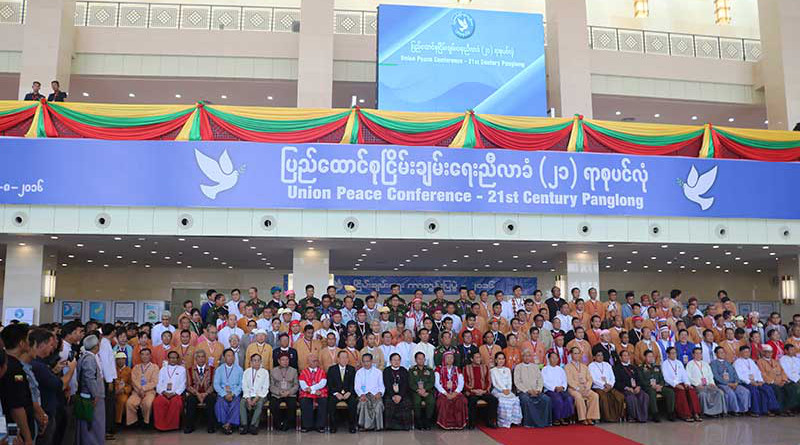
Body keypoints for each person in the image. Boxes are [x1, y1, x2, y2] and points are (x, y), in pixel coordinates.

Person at [734, 345, 780, 416]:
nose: (747, 353)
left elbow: (757, 372)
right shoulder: (737, 362)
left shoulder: (751, 361)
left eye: (748, 352)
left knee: (768, 389)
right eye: (745, 352)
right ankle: (755, 411)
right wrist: (751, 382)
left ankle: (770, 409)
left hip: (756, 381)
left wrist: (760, 380)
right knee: (754, 391)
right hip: (745, 383)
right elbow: (739, 375)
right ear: (740, 353)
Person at [77, 334, 105, 445]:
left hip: (89, 395)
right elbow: (90, 379)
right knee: (95, 423)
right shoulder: (89, 359)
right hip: (91, 397)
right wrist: (95, 395)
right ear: (96, 346)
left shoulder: (86, 356)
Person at [662, 347, 702, 422]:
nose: (674, 355)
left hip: (682, 383)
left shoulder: (679, 362)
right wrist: (675, 384)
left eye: (675, 353)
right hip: (672, 385)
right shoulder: (665, 364)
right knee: (681, 392)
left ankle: (695, 413)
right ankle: (685, 414)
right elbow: (666, 377)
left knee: (691, 390)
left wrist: (687, 383)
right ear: (668, 354)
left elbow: (684, 374)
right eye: (672, 353)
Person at [514, 349, 552, 428]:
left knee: (546, 399)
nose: (527, 358)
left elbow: (540, 379)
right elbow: (517, 382)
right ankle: (529, 423)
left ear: (531, 357)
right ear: (522, 357)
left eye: (528, 356)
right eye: (525, 356)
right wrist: (528, 391)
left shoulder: (535, 367)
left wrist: (538, 389)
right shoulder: (518, 367)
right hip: (524, 392)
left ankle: (545, 422)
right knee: (526, 400)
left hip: (536, 391)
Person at [710, 346, 751, 415]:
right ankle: (733, 410)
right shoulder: (713, 364)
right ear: (716, 354)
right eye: (720, 352)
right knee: (730, 393)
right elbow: (716, 376)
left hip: (733, 383)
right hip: (722, 384)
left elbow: (735, 373)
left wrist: (736, 382)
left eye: (723, 352)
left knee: (745, 391)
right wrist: (727, 384)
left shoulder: (728, 363)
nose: (722, 354)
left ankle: (743, 410)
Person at [757, 344, 798, 412]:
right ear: (763, 353)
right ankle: (780, 410)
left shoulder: (775, 361)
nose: (769, 354)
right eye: (767, 352)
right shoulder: (760, 362)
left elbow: (782, 371)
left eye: (770, 352)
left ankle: (790, 408)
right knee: (778, 390)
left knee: (791, 388)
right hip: (770, 382)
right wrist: (773, 382)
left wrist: (784, 380)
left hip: (780, 381)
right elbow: (762, 373)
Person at [686, 347, 726, 417]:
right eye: (696, 353)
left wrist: (712, 383)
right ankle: (706, 413)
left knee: (719, 392)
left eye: (700, 353)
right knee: (703, 394)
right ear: (693, 355)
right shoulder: (690, 364)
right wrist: (697, 384)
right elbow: (688, 377)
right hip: (697, 386)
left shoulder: (705, 364)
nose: (698, 355)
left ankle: (717, 412)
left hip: (708, 384)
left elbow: (710, 375)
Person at [183, 349, 216, 434]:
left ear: (206, 358)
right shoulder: (190, 370)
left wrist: (206, 393)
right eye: (199, 357)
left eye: (203, 357)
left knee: (211, 400)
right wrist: (197, 394)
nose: (201, 359)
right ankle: (189, 426)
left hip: (207, 393)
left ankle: (211, 426)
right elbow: (188, 385)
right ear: (195, 359)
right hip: (195, 393)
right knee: (190, 400)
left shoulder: (212, 369)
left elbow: (213, 384)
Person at [565, 347, 600, 425]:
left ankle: (590, 417)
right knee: (578, 397)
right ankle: (583, 418)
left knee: (595, 395)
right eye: (575, 353)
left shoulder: (584, 366)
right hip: (573, 389)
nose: (577, 355)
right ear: (571, 354)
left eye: (578, 353)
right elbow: (569, 380)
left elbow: (590, 378)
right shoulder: (567, 367)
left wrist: (587, 387)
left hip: (585, 388)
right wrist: (578, 388)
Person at [434, 351, 468, 430]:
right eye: (447, 358)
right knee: (443, 402)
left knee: (462, 400)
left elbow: (461, 383)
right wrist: (446, 393)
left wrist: (455, 393)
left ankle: (459, 423)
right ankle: (444, 424)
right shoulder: (438, 369)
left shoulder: (457, 369)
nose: (450, 359)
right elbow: (437, 384)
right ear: (444, 359)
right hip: (443, 393)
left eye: (451, 358)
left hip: (455, 392)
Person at [463, 351, 498, 429]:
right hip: (472, 392)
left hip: (483, 391)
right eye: (477, 357)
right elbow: (464, 382)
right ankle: (472, 423)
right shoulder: (466, 368)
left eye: (480, 357)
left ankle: (490, 422)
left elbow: (488, 381)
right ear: (472, 359)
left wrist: (484, 391)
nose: (479, 359)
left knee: (493, 400)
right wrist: (472, 390)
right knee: (472, 401)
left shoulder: (485, 367)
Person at [152, 350, 186, 431]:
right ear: (168, 359)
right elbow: (158, 383)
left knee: (175, 403)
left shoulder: (182, 369)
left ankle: (172, 426)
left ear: (177, 359)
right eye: (171, 358)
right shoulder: (163, 369)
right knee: (158, 402)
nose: (173, 360)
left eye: (175, 358)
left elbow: (183, 384)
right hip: (164, 393)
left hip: (176, 394)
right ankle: (160, 426)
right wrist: (163, 392)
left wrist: (175, 393)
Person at [213, 349, 243, 435]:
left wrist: (233, 394)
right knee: (221, 402)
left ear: (234, 357)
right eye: (228, 356)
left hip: (234, 393)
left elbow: (241, 385)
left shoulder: (239, 369)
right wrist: (224, 394)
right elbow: (216, 384)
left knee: (236, 403)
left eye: (232, 356)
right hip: (223, 393)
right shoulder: (219, 369)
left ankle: (227, 424)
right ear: (224, 358)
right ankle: (227, 424)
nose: (230, 358)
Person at [614, 350, 649, 422]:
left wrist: (638, 386)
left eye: (628, 355)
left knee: (644, 396)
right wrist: (627, 388)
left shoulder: (633, 367)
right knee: (631, 397)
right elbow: (617, 382)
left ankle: (643, 417)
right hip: (625, 389)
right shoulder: (617, 368)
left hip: (635, 388)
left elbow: (639, 379)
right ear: (620, 357)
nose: (627, 357)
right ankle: (632, 417)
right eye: (624, 355)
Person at [327, 350, 358, 434]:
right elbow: (330, 384)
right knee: (331, 402)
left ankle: (352, 426)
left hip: (348, 393)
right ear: (338, 359)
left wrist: (350, 392)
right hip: (336, 394)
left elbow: (353, 383)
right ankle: (333, 426)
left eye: (346, 358)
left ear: (348, 359)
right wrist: (336, 393)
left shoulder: (351, 369)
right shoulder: (332, 369)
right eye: (342, 357)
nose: (344, 360)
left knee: (353, 403)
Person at [589, 350, 624, 422]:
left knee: (620, 397)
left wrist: (610, 385)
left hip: (610, 387)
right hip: (598, 387)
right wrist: (603, 384)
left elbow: (612, 377)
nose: (600, 357)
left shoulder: (607, 365)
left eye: (601, 355)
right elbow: (593, 379)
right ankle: (607, 418)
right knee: (604, 398)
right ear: (594, 357)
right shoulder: (591, 366)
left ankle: (618, 417)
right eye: (598, 355)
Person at [126, 348, 158, 426]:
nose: (145, 356)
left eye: (147, 354)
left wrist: (143, 389)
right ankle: (133, 422)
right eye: (142, 354)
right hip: (137, 391)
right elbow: (134, 380)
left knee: (148, 403)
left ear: (150, 356)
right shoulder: (136, 367)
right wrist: (140, 389)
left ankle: (146, 422)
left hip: (149, 391)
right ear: (140, 356)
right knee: (130, 403)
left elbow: (154, 382)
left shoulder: (155, 367)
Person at [239, 353, 269, 435]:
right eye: (254, 361)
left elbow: (265, 388)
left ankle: (253, 425)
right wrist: (248, 399)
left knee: (259, 404)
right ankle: (244, 425)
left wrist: (256, 398)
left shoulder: (265, 372)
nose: (256, 362)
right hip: (248, 395)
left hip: (260, 396)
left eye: (258, 360)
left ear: (261, 362)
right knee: (242, 402)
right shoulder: (246, 372)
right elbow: (244, 386)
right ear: (251, 362)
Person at [542, 351, 575, 425]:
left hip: (561, 390)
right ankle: (556, 418)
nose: (554, 359)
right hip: (550, 390)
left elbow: (565, 380)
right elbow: (544, 382)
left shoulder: (560, 369)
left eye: (556, 358)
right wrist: (554, 388)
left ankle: (564, 417)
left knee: (569, 398)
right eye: (552, 358)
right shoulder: (545, 369)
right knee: (558, 399)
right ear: (549, 359)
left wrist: (563, 387)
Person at [490, 352, 522, 428]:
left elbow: (510, 382)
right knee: (502, 400)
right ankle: (503, 422)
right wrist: (502, 390)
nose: (501, 360)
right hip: (497, 390)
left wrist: (508, 389)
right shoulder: (492, 370)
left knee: (515, 399)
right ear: (496, 360)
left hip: (508, 390)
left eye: (503, 358)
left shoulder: (507, 370)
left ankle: (513, 421)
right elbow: (494, 384)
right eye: (499, 359)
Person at [269, 352, 299, 431]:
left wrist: (289, 392)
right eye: (283, 360)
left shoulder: (294, 371)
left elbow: (296, 385)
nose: (285, 362)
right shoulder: (273, 371)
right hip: (277, 394)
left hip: (290, 394)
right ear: (278, 361)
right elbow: (271, 386)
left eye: (287, 360)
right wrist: (279, 392)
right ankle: (279, 423)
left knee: (292, 405)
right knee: (273, 405)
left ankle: (287, 423)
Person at [354, 353, 384, 431]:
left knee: (379, 404)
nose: (366, 363)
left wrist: (380, 393)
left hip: (375, 395)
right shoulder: (359, 373)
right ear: (362, 362)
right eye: (364, 362)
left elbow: (382, 386)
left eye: (368, 361)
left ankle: (377, 426)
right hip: (364, 395)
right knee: (363, 403)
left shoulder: (378, 372)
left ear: (372, 361)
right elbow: (357, 387)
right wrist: (361, 395)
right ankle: (364, 426)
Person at [382, 353, 412, 430]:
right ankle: (389, 426)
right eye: (394, 360)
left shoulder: (404, 370)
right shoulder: (386, 371)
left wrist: (400, 395)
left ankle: (405, 426)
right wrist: (393, 396)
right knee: (388, 402)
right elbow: (387, 385)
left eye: (398, 360)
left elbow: (406, 384)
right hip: (390, 394)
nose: (396, 362)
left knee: (406, 402)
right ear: (390, 361)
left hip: (402, 394)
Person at [298, 354, 327, 432]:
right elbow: (303, 386)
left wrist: (311, 389)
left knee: (323, 401)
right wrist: (314, 391)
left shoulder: (322, 372)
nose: (315, 362)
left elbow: (322, 383)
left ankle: (320, 426)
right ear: (308, 362)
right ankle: (307, 426)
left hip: (320, 392)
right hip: (307, 393)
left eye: (316, 360)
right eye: (313, 361)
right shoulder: (303, 372)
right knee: (305, 401)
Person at [408, 351, 436, 430]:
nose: (421, 360)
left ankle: (428, 421)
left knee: (431, 401)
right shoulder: (411, 370)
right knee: (416, 402)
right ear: (415, 360)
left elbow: (432, 382)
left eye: (422, 359)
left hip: (427, 391)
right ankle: (418, 421)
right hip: (416, 391)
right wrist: (418, 390)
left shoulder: (429, 370)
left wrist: (425, 389)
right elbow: (411, 382)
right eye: (419, 359)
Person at [113, 352, 132, 425]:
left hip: (123, 392)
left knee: (122, 400)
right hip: (114, 391)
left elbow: (130, 384)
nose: (120, 361)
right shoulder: (113, 369)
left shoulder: (129, 370)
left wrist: (124, 390)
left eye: (122, 359)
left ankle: (118, 421)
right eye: (118, 359)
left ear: (125, 360)